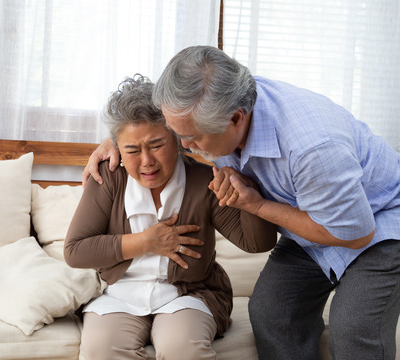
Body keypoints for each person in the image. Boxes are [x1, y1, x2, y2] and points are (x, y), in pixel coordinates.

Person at [83, 46, 400, 360]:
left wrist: (258, 205)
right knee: (271, 312)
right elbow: (167, 116)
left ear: (236, 118)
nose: (184, 145)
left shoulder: (312, 149)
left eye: (192, 138)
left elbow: (354, 234)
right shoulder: (217, 103)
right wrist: (116, 142)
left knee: (353, 327)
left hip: (377, 223)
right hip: (312, 220)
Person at [65, 74, 277, 360]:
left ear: (178, 139)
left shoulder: (205, 181)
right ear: (118, 148)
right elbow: (76, 251)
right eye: (132, 150)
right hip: (120, 295)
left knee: (182, 348)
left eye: (156, 145)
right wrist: (146, 242)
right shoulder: (109, 178)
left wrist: (249, 190)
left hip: (189, 295)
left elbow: (257, 244)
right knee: (100, 349)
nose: (146, 161)